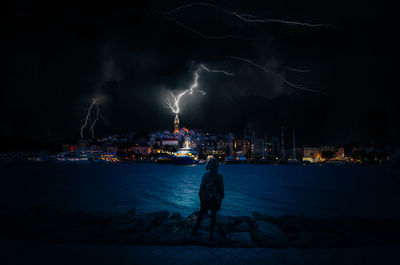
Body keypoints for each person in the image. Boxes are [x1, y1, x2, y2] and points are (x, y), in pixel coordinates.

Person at [192, 157, 224, 240]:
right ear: (217, 167)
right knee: (213, 217)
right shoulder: (219, 177)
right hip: (214, 199)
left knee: (201, 215)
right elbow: (221, 191)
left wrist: (201, 199)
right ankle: (211, 235)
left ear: (208, 167)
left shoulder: (205, 176)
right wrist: (220, 200)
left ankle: (195, 231)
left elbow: (201, 189)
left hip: (205, 198)